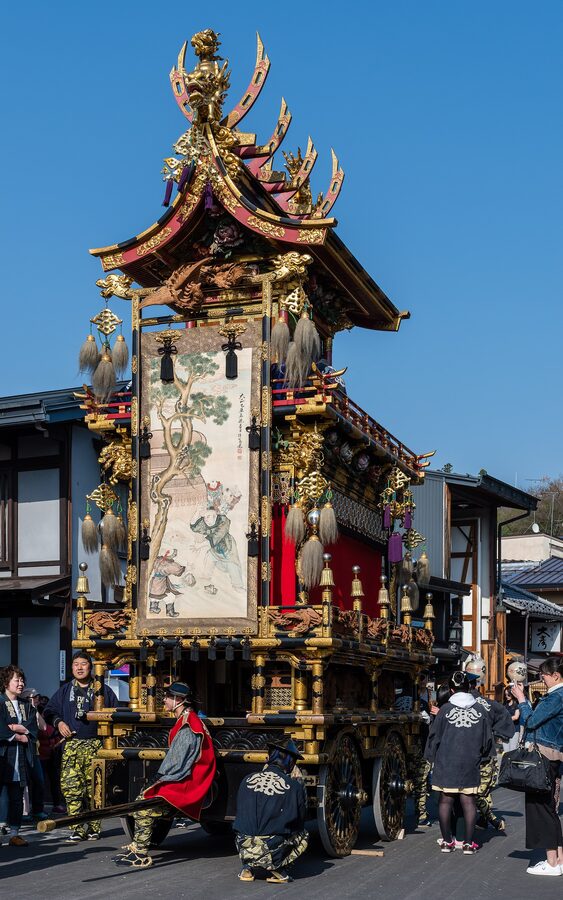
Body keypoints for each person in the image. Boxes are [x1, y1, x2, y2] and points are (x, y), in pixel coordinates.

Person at [114, 682, 216, 868]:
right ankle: (137, 845)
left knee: (143, 807)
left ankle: (141, 854)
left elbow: (177, 763)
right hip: (185, 777)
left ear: (179, 699)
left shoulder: (189, 725)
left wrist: (158, 778)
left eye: (168, 697)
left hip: (190, 782)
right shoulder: (186, 719)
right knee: (141, 799)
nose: (165, 700)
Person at [43, 651, 118, 843]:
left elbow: (115, 713)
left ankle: (94, 827)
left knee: (95, 788)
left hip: (95, 745)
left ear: (90, 667)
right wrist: (59, 722)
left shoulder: (103, 690)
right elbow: (49, 711)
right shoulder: (65, 690)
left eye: (83, 663)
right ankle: (76, 828)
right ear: (71, 668)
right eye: (75, 664)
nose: (79, 667)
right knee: (71, 788)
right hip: (72, 746)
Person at [425, 670, 493, 855]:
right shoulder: (480, 710)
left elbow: (434, 736)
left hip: (447, 760)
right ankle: (468, 844)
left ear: (452, 690)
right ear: (468, 687)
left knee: (445, 801)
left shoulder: (445, 710)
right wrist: (483, 757)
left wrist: (430, 757)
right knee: (469, 802)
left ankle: (447, 842)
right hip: (470, 760)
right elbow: (487, 739)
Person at [511, 657, 563, 877]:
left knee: (540, 807)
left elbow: (531, 721)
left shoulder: (556, 696)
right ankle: (558, 859)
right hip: (553, 755)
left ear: (556, 676)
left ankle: (552, 862)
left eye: (544, 674)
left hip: (544, 755)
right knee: (549, 807)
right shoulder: (556, 696)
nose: (542, 678)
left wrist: (522, 699)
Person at [234, 739, 308, 884]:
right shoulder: (294, 786)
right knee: (303, 835)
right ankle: (278, 867)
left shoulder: (246, 779)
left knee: (247, 830)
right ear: (290, 763)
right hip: (271, 847)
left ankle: (247, 868)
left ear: (269, 758)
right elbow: (299, 822)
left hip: (243, 843)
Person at [465, 672, 514, 832]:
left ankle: (489, 819)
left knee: (473, 791)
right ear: (476, 685)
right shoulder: (488, 703)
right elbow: (504, 718)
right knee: (483, 789)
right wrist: (497, 734)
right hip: (486, 752)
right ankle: (484, 819)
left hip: (465, 752)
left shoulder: (459, 704)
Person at [0, 665, 38, 847]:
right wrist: (17, 734)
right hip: (3, 755)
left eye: (22, 680)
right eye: (17, 680)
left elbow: (32, 728)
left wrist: (14, 727)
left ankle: (15, 833)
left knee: (17, 794)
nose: (21, 683)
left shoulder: (26, 705)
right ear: (6, 682)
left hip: (20, 756)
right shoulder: (0, 702)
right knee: (2, 794)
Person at [20, 688, 48, 822]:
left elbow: (43, 727)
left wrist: (34, 709)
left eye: (37, 697)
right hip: (22, 751)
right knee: (23, 784)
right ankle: (24, 812)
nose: (37, 699)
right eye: (33, 697)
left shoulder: (34, 711)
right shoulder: (19, 710)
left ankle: (38, 810)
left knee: (39, 781)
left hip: (35, 752)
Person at [503, 686, 521, 751]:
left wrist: (505, 719)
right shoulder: (505, 704)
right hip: (505, 730)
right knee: (506, 751)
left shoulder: (517, 704)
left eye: (508, 695)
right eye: (505, 695)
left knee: (512, 750)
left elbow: (516, 717)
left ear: (512, 694)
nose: (506, 696)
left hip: (514, 730)